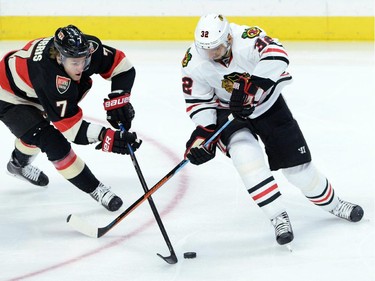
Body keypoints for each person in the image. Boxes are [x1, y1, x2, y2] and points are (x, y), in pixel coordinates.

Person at [181, 14, 364, 246]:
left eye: (216, 48)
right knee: (246, 159)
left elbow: (277, 54)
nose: (211, 55)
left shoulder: (247, 38)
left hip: (267, 104)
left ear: (228, 37)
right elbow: (198, 101)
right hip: (228, 113)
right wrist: (204, 135)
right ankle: (278, 217)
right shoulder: (192, 61)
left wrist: (253, 88)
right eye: (206, 50)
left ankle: (335, 204)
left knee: (298, 169)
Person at [0, 25, 141, 212]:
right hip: (8, 96)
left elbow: (122, 67)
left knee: (34, 134)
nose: (81, 66)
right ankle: (97, 190)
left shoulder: (87, 48)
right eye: (74, 63)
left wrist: (118, 98)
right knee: (50, 141)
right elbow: (73, 131)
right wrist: (106, 136)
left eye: (84, 60)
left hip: (32, 89)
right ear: (59, 57)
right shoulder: (49, 77)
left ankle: (17, 165)